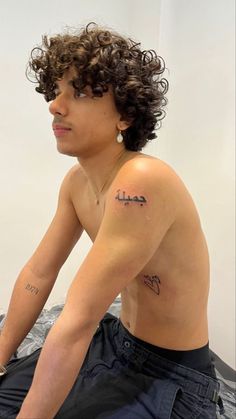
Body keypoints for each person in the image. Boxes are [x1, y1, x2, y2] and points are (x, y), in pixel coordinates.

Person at [0, 22, 223, 419]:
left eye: (80, 92)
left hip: (171, 376)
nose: (55, 104)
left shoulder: (143, 181)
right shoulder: (77, 183)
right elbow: (38, 272)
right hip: (114, 342)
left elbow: (77, 321)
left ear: (124, 115)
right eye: (57, 91)